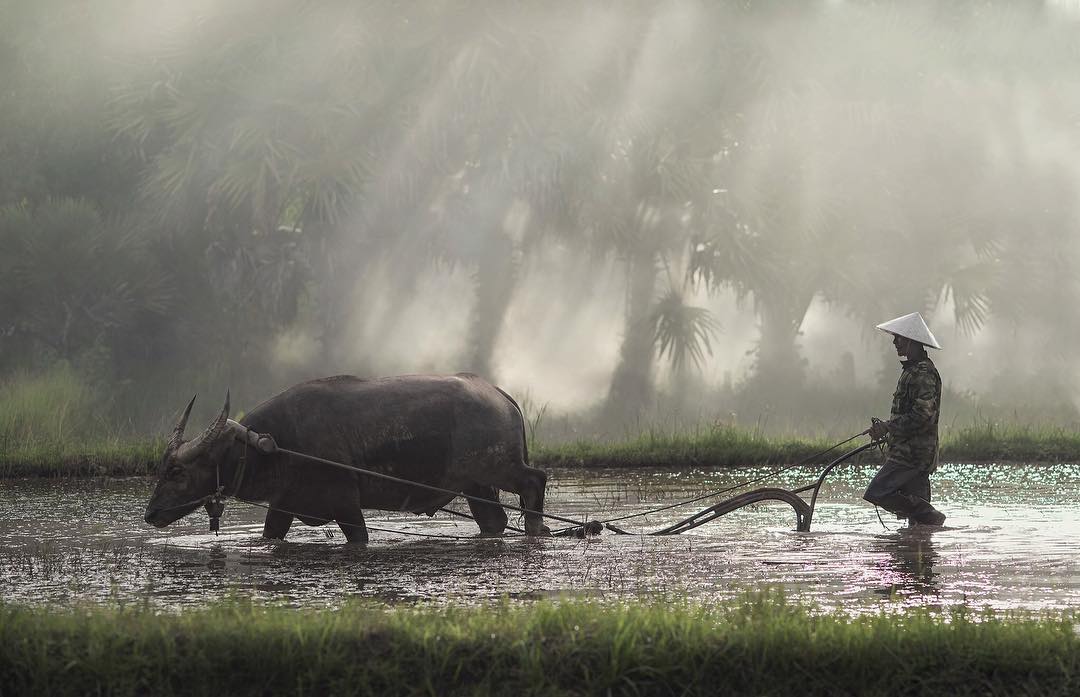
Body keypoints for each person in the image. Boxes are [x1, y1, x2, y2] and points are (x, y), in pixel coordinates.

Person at [864, 312, 947, 526]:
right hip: (908, 453)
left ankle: (929, 515)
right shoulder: (912, 370)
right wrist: (887, 428)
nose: (894, 342)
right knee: (918, 530)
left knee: (877, 491)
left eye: (898, 338)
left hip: (912, 456)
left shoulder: (923, 373)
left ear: (911, 341)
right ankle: (922, 533)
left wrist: (888, 427)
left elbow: (923, 415)